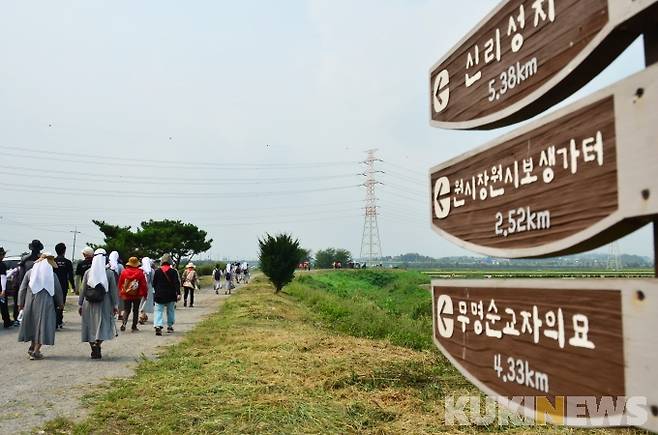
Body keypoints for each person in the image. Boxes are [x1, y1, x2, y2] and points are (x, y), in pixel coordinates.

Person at [17, 253, 64, 360]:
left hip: (30, 304)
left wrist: (20, 303)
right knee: (43, 326)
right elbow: (58, 291)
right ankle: (36, 350)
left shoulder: (30, 273)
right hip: (46, 305)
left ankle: (33, 347)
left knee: (34, 326)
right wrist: (60, 303)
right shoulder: (52, 275)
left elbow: (22, 289)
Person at [79, 248, 119, 359]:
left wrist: (80, 304)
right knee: (102, 325)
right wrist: (115, 305)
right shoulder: (110, 273)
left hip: (88, 302)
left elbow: (83, 289)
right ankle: (98, 344)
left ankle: (93, 346)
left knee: (90, 326)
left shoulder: (88, 272)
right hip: (104, 302)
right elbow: (113, 291)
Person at [152, 254, 180, 335]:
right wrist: (178, 293)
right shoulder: (173, 272)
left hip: (159, 294)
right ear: (170, 262)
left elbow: (154, 283)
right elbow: (176, 283)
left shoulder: (157, 271)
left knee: (158, 311)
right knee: (170, 311)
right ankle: (170, 326)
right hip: (170, 295)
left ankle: (158, 325)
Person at [117, 257, 148, 332]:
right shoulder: (140, 273)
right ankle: (134, 326)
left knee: (126, 309)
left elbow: (120, 283)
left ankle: (124, 323)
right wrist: (145, 294)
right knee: (135, 310)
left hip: (126, 294)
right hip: (137, 294)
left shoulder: (124, 272)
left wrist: (121, 292)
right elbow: (144, 284)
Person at [53, 243, 75, 329]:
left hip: (53, 285)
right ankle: (59, 320)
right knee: (61, 303)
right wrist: (73, 286)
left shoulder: (52, 261)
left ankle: (54, 320)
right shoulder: (68, 262)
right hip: (63, 285)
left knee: (54, 303)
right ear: (64, 250)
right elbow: (70, 276)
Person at [107, 251, 124, 319]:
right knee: (119, 300)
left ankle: (111, 312)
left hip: (109, 285)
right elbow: (123, 275)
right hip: (118, 285)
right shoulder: (120, 266)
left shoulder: (108, 265)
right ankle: (119, 314)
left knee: (110, 298)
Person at [138, 257, 155, 325]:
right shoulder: (152, 270)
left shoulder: (140, 269)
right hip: (148, 286)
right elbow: (152, 280)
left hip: (139, 287)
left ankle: (143, 315)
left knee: (141, 301)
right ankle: (142, 315)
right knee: (146, 301)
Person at [0, 247, 13, 328]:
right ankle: (7, 322)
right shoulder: (1, 265)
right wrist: (3, 290)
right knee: (3, 305)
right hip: (0, 290)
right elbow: (3, 278)